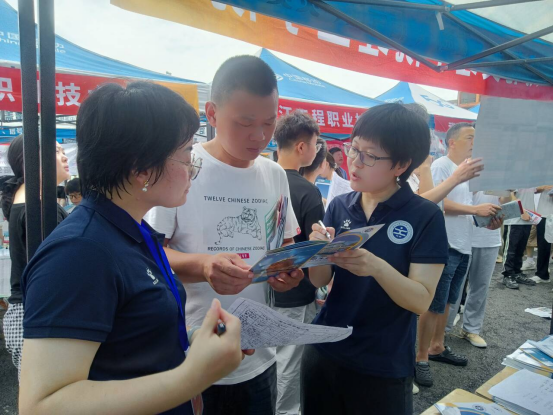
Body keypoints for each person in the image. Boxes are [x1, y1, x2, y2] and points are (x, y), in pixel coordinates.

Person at [18, 82, 245, 415]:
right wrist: (193, 375)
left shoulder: (133, 233)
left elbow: (129, 340)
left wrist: (199, 343)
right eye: (186, 154)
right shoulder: (79, 251)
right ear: (141, 168)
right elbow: (42, 405)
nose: (192, 168)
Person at [145, 56, 303, 415]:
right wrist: (204, 266)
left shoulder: (275, 175)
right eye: (245, 123)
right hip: (194, 355)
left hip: (259, 356)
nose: (259, 136)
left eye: (269, 122)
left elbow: (284, 245)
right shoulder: (182, 168)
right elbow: (150, 254)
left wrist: (287, 272)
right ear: (212, 114)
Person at [301, 103, 449, 415]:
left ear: (401, 165)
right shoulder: (340, 205)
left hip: (382, 364)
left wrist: (376, 267)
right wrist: (318, 251)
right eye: (354, 149)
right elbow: (320, 281)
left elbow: (421, 300)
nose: (354, 162)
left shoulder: (424, 216)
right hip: (325, 349)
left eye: (369, 155)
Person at [415, 123, 501, 388]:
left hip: (464, 242)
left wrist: (486, 219)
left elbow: (466, 208)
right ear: (452, 142)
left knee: (449, 301)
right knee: (434, 303)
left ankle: (438, 345)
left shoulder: (464, 170)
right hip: (446, 243)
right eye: (469, 137)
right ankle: (420, 357)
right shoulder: (442, 166)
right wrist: (475, 211)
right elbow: (434, 202)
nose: (475, 142)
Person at [0, 135, 70, 380]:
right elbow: (56, 271)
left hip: (30, 313)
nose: (64, 156)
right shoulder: (38, 209)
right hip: (39, 315)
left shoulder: (30, 201)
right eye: (56, 151)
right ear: (33, 160)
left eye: (63, 150)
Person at [273, 113, 324, 415]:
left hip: (256, 286)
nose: (317, 151)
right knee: (289, 362)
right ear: (302, 147)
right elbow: (315, 249)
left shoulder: (258, 179)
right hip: (295, 289)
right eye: (316, 144)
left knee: (263, 359)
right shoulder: (308, 191)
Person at [445, 191, 507, 348]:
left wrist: (508, 192)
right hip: (458, 236)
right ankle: (442, 328)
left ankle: (471, 329)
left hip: (488, 237)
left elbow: (505, 202)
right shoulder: (462, 176)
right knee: (452, 286)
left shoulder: (499, 178)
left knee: (480, 286)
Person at [502, 188, 538, 288]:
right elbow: (510, 194)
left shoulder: (531, 181)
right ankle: (507, 275)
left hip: (527, 219)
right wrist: (521, 212)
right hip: (513, 219)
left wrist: (534, 214)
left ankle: (517, 273)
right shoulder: (515, 179)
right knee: (510, 250)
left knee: (520, 250)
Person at [531, 185, 553, 283]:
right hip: (544, 214)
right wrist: (542, 187)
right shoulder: (543, 177)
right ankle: (542, 274)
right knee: (543, 245)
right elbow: (533, 190)